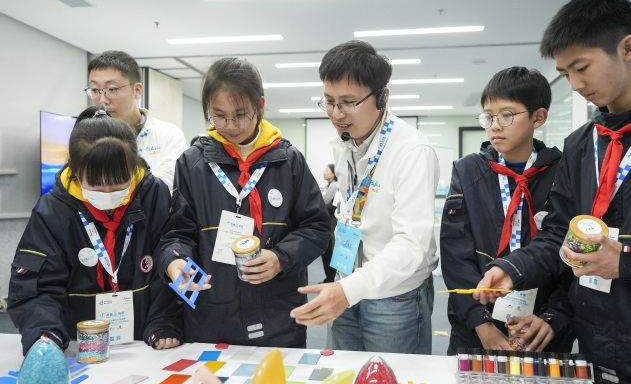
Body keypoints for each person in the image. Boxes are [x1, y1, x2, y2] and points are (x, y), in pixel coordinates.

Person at [474, 0, 631, 384]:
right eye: (565, 72)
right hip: (596, 351)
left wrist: (627, 261)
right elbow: (559, 234)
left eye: (582, 68)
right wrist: (512, 268)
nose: (574, 84)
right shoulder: (582, 143)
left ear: (628, 48)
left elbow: (620, 258)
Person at [155, 57, 331, 348]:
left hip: (278, 315)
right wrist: (175, 261)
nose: (230, 126)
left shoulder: (287, 161)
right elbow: (176, 233)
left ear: (260, 106)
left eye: (241, 115)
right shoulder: (193, 164)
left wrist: (280, 258)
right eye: (219, 116)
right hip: (210, 318)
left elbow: (317, 228)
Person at [291, 40, 439, 354]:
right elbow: (351, 211)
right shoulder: (344, 144)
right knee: (343, 380)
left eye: (348, 102)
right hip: (347, 282)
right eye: (329, 101)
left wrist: (348, 288)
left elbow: (413, 245)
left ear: (382, 97)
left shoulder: (412, 150)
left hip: (393, 298)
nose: (336, 113)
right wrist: (345, 284)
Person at [7, 105, 180, 355]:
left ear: (135, 166)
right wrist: (46, 335)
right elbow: (36, 285)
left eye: (120, 182)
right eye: (97, 185)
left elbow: (170, 258)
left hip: (149, 343)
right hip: (76, 344)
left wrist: (164, 321)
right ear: (75, 172)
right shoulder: (53, 210)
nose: (109, 193)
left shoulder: (154, 196)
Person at [440, 66, 575, 354]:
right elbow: (455, 254)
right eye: (488, 116)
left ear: (538, 117)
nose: (495, 125)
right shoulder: (468, 171)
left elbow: (569, 252)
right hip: (475, 326)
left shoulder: (563, 172)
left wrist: (552, 318)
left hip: (540, 328)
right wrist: (481, 325)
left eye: (507, 115)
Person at [86, 50, 187, 191]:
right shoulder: (85, 137)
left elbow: (168, 185)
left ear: (137, 90)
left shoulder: (169, 135)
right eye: (95, 90)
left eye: (112, 89)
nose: (102, 100)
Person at [320, 164, 339, 284]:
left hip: (332, 224)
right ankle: (328, 277)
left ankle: (331, 278)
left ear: (333, 173)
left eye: (327, 170)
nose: (324, 172)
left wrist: (317, 208)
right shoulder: (326, 187)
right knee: (325, 253)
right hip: (324, 223)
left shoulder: (336, 187)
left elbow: (333, 206)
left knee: (330, 253)